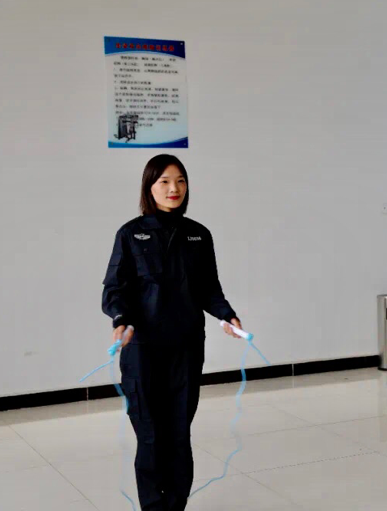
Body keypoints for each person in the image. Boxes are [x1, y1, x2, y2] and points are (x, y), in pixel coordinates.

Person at [102, 154, 243, 510]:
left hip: (186, 348)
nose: (173, 188)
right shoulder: (131, 234)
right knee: (150, 435)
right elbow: (114, 289)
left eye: (180, 180)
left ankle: (176, 505)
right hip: (143, 350)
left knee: (179, 433)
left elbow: (209, 288)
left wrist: (227, 315)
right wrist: (121, 319)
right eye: (164, 181)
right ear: (149, 187)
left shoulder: (198, 234)